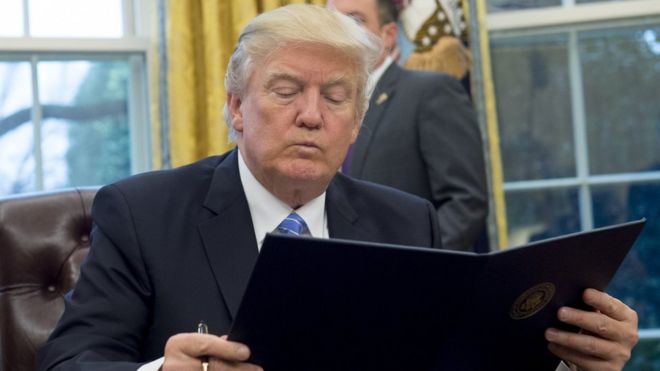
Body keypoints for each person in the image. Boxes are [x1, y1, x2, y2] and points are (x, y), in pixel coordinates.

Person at [38, 4, 637, 371]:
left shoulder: (409, 222)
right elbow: (68, 362)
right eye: (285, 90)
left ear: (355, 122)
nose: (311, 115)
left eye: (334, 97)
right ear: (237, 108)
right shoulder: (142, 212)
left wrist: (572, 361)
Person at [329, 0, 488, 252]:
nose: (339, 32)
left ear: (388, 35)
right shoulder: (320, 107)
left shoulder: (430, 92)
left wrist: (414, 267)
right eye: (333, 22)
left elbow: (465, 202)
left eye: (355, 20)